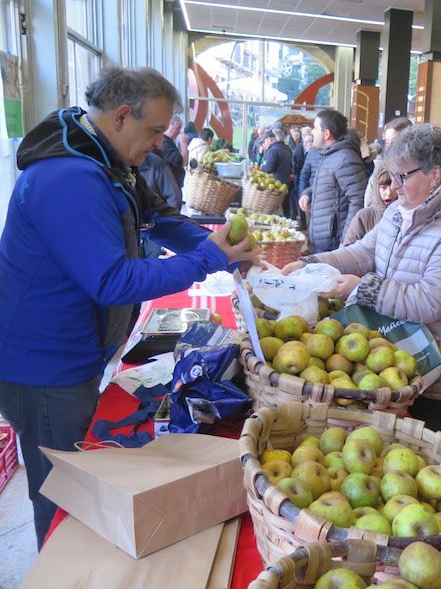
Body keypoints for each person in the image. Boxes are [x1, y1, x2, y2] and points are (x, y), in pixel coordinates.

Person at [0, 67, 258, 550]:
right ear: (122, 116)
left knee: (69, 477)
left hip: (70, 351)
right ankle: (58, 573)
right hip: (44, 365)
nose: (160, 143)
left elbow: (157, 219)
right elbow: (112, 281)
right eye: (155, 130)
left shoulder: (103, 161)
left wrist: (220, 249)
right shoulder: (70, 177)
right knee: (59, 492)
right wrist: (209, 258)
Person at [282, 124, 441, 442]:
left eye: (402, 177)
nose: (393, 187)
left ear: (435, 175)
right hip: (402, 354)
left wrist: (361, 288)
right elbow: (362, 253)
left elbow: (433, 301)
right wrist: (311, 264)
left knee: (429, 457)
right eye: (391, 176)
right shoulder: (397, 212)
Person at [298, 109, 368, 253]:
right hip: (322, 241)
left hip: (334, 245)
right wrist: (308, 193)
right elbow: (330, 185)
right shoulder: (330, 156)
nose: (312, 131)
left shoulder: (345, 159)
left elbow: (358, 199)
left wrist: (347, 240)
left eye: (316, 128)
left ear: (327, 133)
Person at [365, 117, 412, 208]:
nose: (389, 147)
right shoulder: (381, 167)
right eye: (387, 142)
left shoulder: (418, 168)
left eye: (394, 142)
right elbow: (370, 199)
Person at [342, 168, 397, 246]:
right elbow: (348, 248)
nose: (388, 193)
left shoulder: (407, 214)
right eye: (383, 188)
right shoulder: (364, 216)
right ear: (376, 189)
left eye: (392, 188)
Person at [161, 115, 185, 187]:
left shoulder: (168, 142)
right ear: (169, 125)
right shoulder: (165, 143)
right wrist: (184, 144)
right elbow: (180, 162)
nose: (179, 132)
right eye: (177, 128)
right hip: (171, 185)